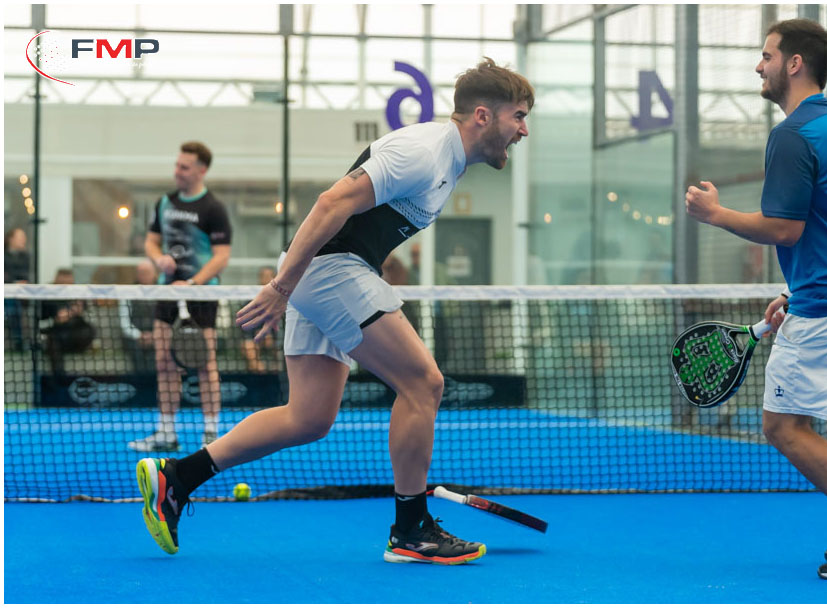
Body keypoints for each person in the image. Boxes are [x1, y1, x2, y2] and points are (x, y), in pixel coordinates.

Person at [135, 58, 533, 564]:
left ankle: (177, 477)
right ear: (482, 115)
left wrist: (299, 280)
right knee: (423, 383)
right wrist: (281, 286)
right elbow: (330, 203)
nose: (523, 130)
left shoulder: (448, 163)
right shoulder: (423, 152)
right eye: (518, 116)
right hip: (329, 270)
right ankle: (411, 530)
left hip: (328, 270)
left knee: (308, 417)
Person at [685, 19, 827, 580]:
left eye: (767, 56)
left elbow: (785, 228)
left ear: (794, 64)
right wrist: (794, 290)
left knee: (782, 427)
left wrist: (716, 214)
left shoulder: (792, 134)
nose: (759, 66)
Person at [128, 141, 232, 452]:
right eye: (177, 165)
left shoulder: (213, 208)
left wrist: (194, 282)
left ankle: (211, 434)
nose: (177, 171)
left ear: (201, 170)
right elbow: (151, 241)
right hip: (167, 292)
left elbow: (222, 257)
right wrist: (158, 258)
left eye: (184, 167)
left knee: (205, 365)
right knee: (164, 362)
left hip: (201, 296)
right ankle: (166, 433)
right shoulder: (165, 202)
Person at [39, 268, 95, 379]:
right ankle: (60, 377)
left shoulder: (79, 294)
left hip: (73, 333)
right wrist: (55, 320)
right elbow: (39, 322)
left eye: (69, 284)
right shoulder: (45, 295)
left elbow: (91, 317)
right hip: (55, 333)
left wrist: (78, 313)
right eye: (62, 284)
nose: (65, 287)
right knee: (53, 340)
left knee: (88, 330)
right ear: (55, 281)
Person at [119, 259, 158, 373]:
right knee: (137, 354)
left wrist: (155, 336)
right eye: (141, 273)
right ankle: (140, 381)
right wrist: (139, 335)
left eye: (147, 272)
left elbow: (169, 320)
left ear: (155, 274)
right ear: (137, 275)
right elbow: (125, 323)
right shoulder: (127, 293)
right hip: (134, 338)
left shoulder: (165, 292)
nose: (144, 276)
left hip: (159, 336)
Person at [241, 266, 279, 373]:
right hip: (254, 337)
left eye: (269, 276)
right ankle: (259, 373)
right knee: (248, 346)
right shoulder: (250, 302)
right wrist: (260, 333)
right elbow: (246, 329)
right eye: (263, 276)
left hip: (275, 338)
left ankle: (279, 371)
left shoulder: (282, 300)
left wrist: (269, 334)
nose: (266, 279)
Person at [4, 227, 31, 352]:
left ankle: (19, 340)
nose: (23, 240)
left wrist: (21, 283)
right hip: (5, 292)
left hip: (20, 294)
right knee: (11, 303)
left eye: (24, 237)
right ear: (10, 239)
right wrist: (13, 282)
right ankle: (18, 340)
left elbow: (24, 275)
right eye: (20, 237)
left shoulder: (25, 256)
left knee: (15, 304)